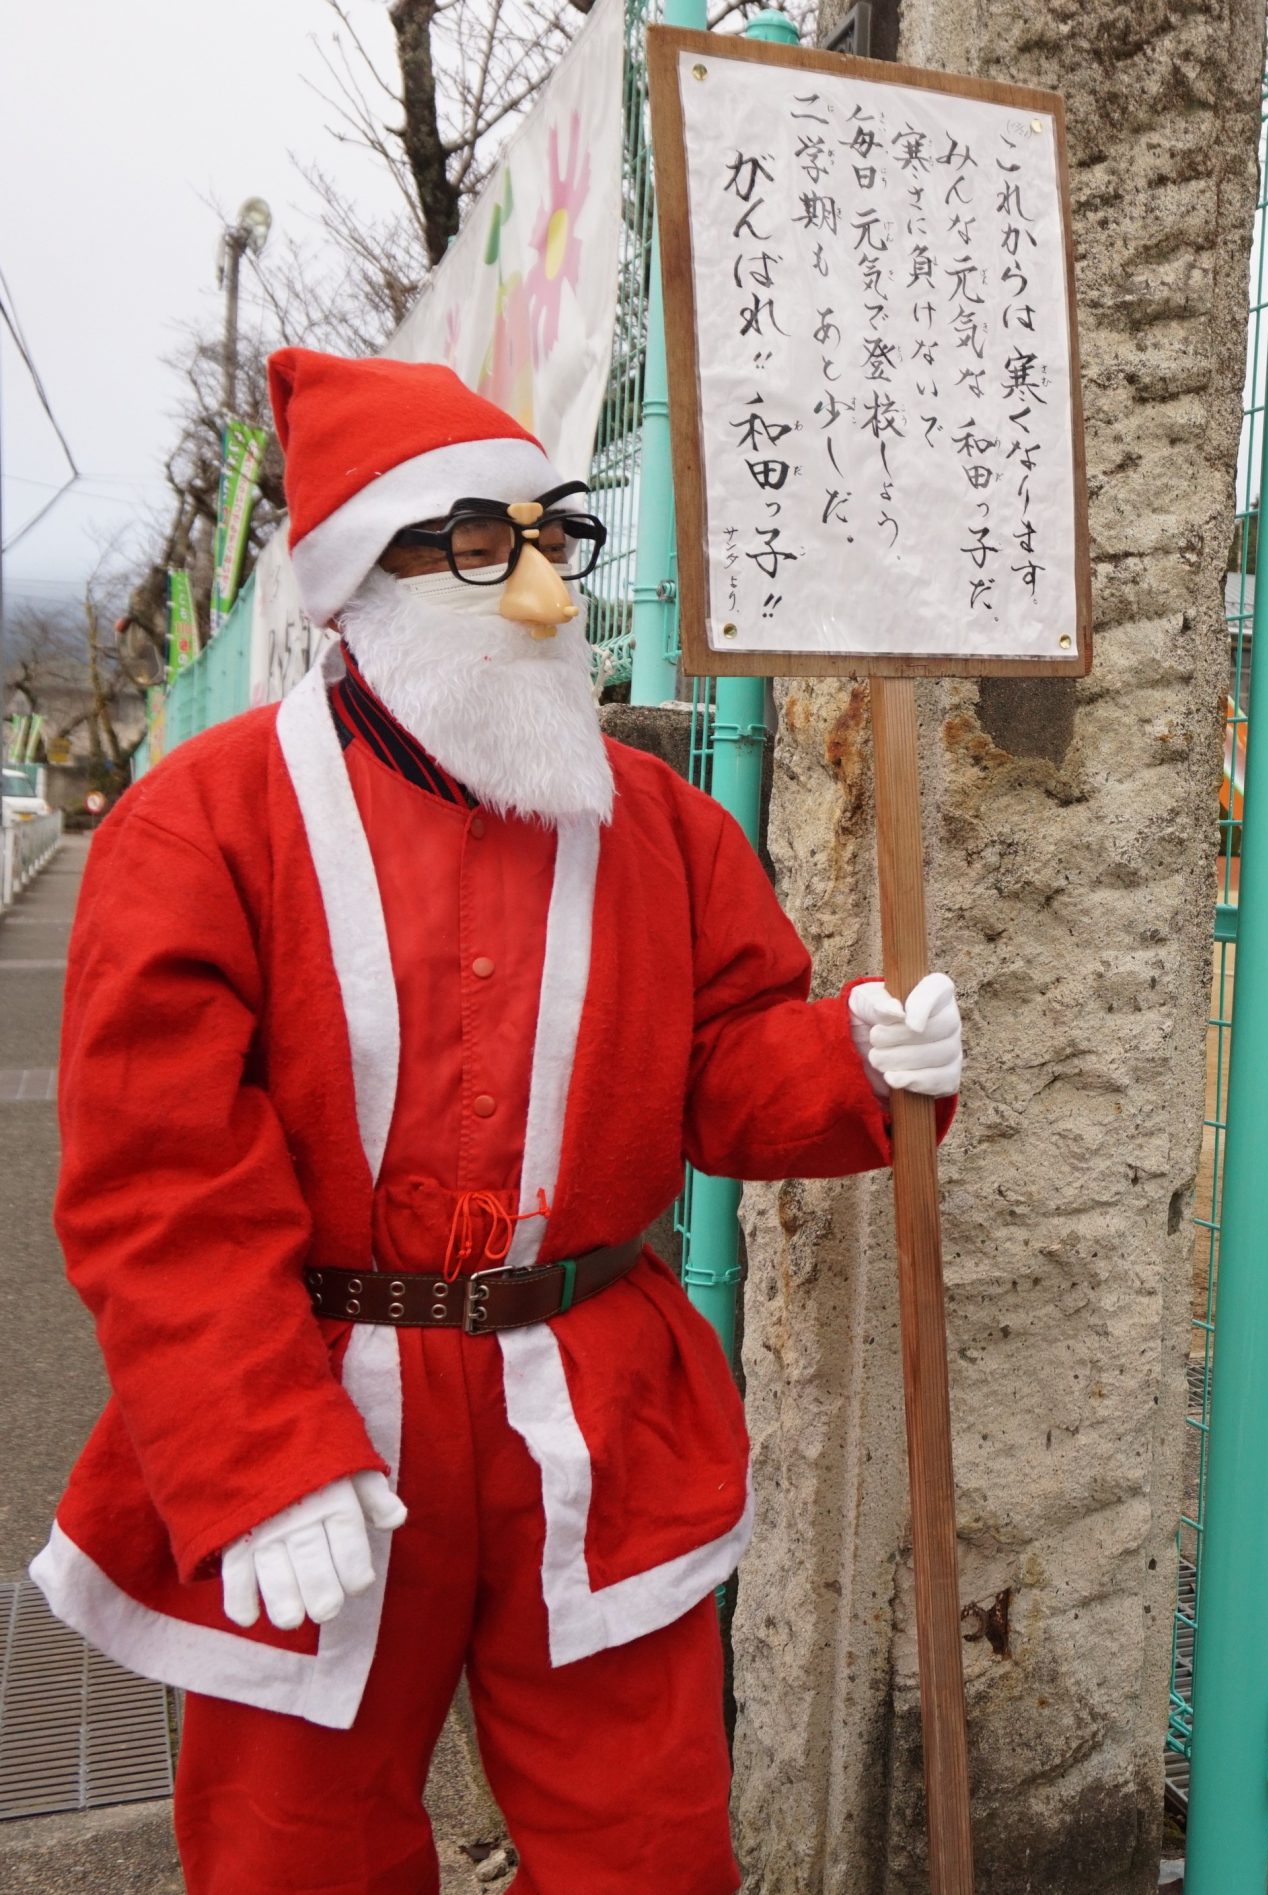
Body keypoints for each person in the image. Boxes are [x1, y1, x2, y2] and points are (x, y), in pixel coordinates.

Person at [32, 350, 966, 1895]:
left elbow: (725, 1059)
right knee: (292, 1856)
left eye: (551, 537)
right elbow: (156, 1174)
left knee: (652, 1848)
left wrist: (857, 1056)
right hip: (314, 1412)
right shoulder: (200, 824)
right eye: (474, 542)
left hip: (595, 1408)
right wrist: (254, 1448)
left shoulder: (660, 824)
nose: (541, 595)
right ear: (356, 581)